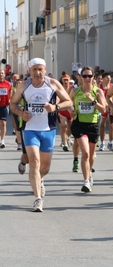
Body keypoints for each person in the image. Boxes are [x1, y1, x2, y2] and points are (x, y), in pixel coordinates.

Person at [10, 58, 72, 212]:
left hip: (48, 129)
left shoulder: (52, 84)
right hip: (30, 128)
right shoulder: (24, 85)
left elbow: (69, 102)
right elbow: (13, 104)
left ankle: (40, 179)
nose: (37, 73)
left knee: (45, 167)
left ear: (45, 69)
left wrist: (55, 106)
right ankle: (38, 199)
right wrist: (20, 113)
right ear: (29, 71)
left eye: (40, 69)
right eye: (34, 70)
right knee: (35, 161)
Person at [69, 66, 106, 193]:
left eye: (89, 76)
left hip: (93, 124)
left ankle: (89, 172)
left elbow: (103, 109)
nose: (87, 78)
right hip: (79, 124)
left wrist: (93, 101)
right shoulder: (75, 91)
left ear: (93, 77)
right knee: (85, 152)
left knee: (91, 155)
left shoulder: (98, 92)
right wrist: (72, 111)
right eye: (84, 76)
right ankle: (86, 182)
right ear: (80, 77)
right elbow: (69, 104)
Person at [59, 74, 74, 151]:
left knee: (70, 128)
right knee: (64, 126)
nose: (65, 81)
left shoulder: (72, 89)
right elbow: (57, 98)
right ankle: (65, 143)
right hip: (62, 111)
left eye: (67, 80)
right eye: (64, 80)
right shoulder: (60, 88)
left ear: (69, 80)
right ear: (62, 80)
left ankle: (67, 138)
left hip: (70, 110)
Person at [99, 72, 113, 151]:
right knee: (102, 125)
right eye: (107, 78)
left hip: (110, 107)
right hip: (102, 108)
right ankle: (102, 143)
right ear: (103, 78)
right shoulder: (99, 87)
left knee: (112, 125)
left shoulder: (112, 86)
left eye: (110, 78)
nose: (109, 79)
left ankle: (110, 142)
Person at [0, 69, 12, 148]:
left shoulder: (8, 84)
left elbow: (10, 93)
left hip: (4, 105)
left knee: (3, 123)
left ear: (4, 74)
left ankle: (2, 141)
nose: (1, 74)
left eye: (2, 73)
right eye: (0, 73)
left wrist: (10, 100)